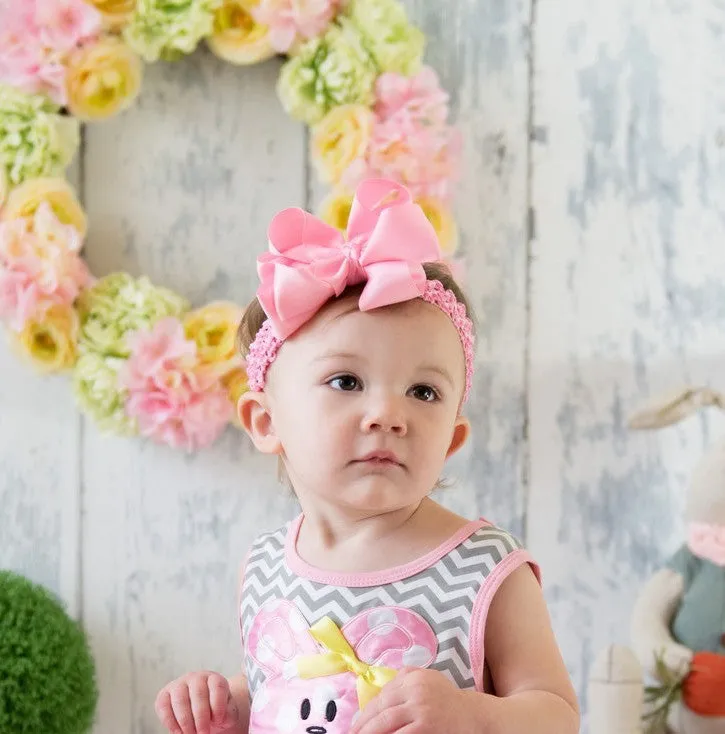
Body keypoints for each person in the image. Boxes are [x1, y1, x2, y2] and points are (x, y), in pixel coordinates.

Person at [155, 178, 579, 734]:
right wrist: (225, 705)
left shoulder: (483, 569)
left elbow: (556, 713)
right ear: (266, 421)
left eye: (423, 392)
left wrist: (474, 715)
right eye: (346, 380)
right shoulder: (265, 567)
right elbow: (277, 686)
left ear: (450, 439)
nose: (388, 414)